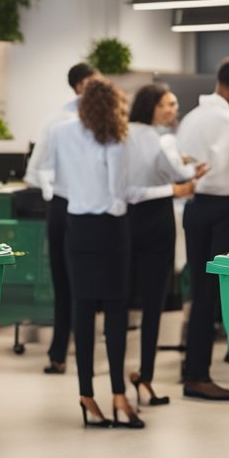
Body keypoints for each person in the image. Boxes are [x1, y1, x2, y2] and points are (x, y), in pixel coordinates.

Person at [46, 77, 141, 429]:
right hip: (111, 229)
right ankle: (119, 393)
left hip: (77, 227)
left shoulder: (60, 133)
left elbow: (60, 183)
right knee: (116, 312)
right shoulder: (117, 138)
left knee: (82, 311)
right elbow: (120, 193)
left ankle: (87, 394)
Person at [176, 60, 229, 401]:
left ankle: (194, 370)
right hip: (220, 208)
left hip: (193, 207)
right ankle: (199, 375)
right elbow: (223, 168)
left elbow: (184, 164)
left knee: (201, 292)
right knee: (220, 293)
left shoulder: (192, 117)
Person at [124, 83, 208, 406]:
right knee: (153, 303)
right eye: (167, 105)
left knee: (120, 303)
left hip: (126, 222)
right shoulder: (158, 139)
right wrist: (190, 176)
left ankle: (120, 382)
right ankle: (145, 376)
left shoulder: (122, 134)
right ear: (151, 107)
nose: (173, 110)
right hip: (157, 221)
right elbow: (176, 176)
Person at [23, 62, 98, 375]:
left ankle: (72, 355)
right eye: (94, 82)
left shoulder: (100, 120)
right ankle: (62, 353)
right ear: (81, 85)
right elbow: (35, 171)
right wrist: (56, 193)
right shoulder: (59, 121)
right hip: (72, 209)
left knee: (79, 284)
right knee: (67, 282)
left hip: (78, 209)